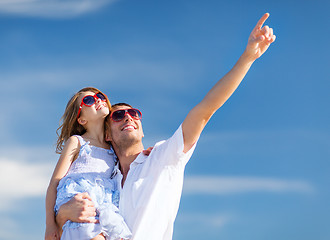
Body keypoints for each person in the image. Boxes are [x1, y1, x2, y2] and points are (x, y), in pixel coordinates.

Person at [55, 13, 276, 240]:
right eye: (119, 115)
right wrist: (61, 214)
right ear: (107, 134)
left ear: (141, 128)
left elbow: (204, 112)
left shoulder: (163, 157)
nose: (129, 117)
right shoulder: (105, 179)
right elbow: (74, 217)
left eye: (134, 113)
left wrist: (247, 58)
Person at [45, 87, 132, 240]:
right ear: (82, 120)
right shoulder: (77, 142)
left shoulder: (113, 148)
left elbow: (130, 154)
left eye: (100, 96)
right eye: (89, 100)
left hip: (105, 211)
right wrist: (50, 225)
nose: (98, 100)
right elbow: (54, 183)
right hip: (79, 206)